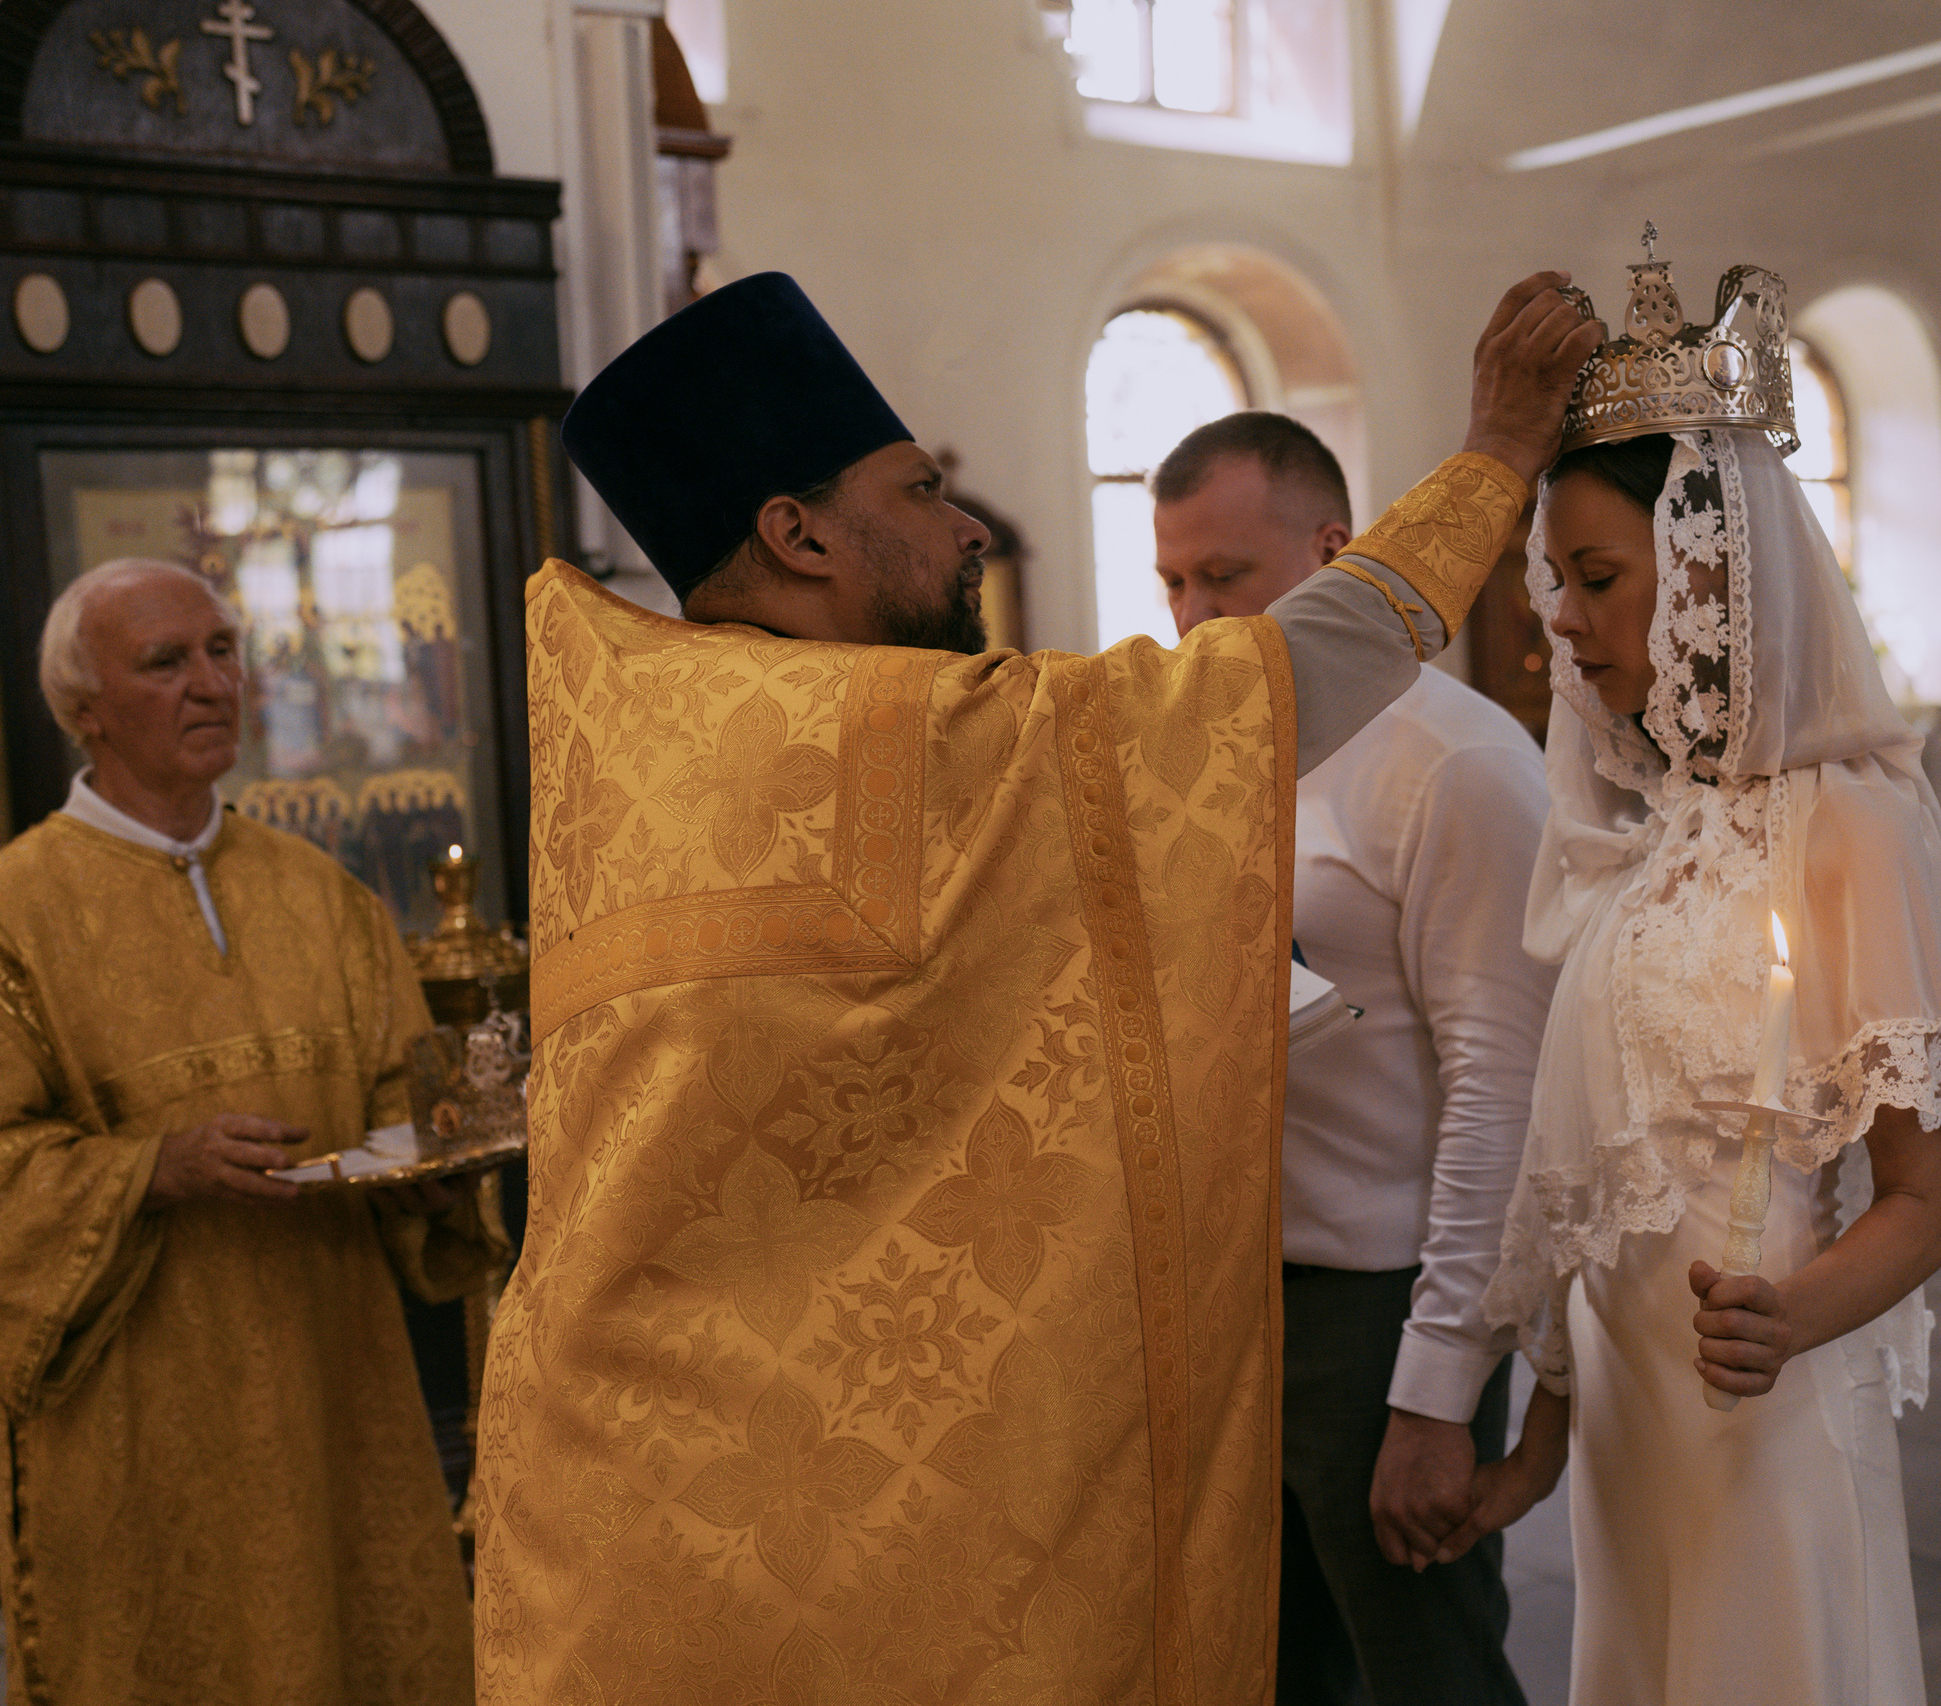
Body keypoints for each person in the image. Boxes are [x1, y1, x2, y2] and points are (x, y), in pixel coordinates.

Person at [472, 271, 1602, 1704]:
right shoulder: (891, 730)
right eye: (923, 487)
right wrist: (1497, 453)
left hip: (619, 1479)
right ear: (797, 531)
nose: (963, 531)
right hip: (819, 1501)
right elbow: (1258, 692)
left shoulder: (645, 735)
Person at [1456, 419, 1941, 1702]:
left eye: (1598, 581)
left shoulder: (1850, 829)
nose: (1565, 627)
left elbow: (1920, 1205)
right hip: (1627, 1419)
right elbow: (1589, 1173)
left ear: (1707, 573)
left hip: (1760, 1403)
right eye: (1554, 589)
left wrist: (1788, 1319)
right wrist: (1544, 1431)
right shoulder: (1637, 838)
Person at [0, 559, 506, 1706]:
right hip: (140, 1434)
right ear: (85, 708)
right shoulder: (19, 912)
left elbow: (406, 1110)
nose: (211, 682)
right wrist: (154, 1170)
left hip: (343, 1406)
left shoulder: (323, 894)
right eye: (166, 661)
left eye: (223, 651)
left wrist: (423, 1173)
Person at [1151, 412, 1552, 1706]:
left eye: (1226, 576)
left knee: (1427, 1673)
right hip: (1230, 1294)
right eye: (1173, 579)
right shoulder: (1203, 750)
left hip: (1379, 1303)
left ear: (1336, 549)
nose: (1193, 616)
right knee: (1268, 1671)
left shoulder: (1459, 761)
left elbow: (1504, 1087)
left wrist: (1438, 1392)